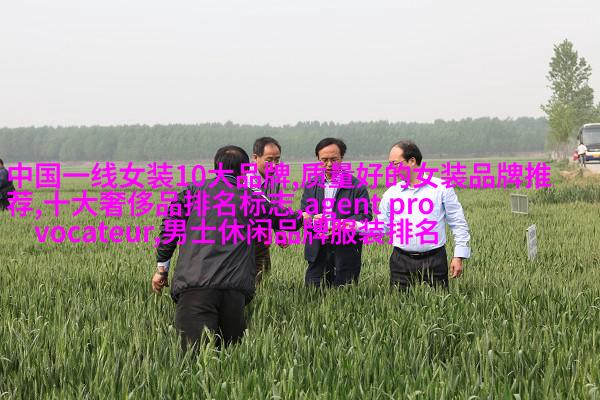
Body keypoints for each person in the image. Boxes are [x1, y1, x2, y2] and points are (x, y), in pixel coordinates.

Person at [152, 145, 303, 352]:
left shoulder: (192, 192)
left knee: (193, 358)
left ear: (216, 168)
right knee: (231, 357)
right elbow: (286, 219)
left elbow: (170, 230)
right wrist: (305, 217)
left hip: (194, 288)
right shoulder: (251, 197)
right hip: (234, 292)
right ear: (245, 171)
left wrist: (162, 270)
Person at [376, 140, 471, 290]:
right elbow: (382, 226)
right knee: (398, 304)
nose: (391, 169)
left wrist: (458, 256)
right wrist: (351, 226)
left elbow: (458, 223)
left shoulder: (441, 188)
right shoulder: (391, 193)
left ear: (412, 161)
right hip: (400, 262)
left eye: (395, 164)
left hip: (435, 260)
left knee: (438, 302)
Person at [300, 138, 372, 287]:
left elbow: (365, 216)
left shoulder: (357, 186)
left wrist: (339, 225)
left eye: (334, 159)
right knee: (313, 293)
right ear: (318, 159)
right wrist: (313, 220)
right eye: (324, 160)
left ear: (342, 158)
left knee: (344, 293)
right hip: (317, 251)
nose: (329, 164)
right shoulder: (311, 185)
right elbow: (304, 215)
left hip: (346, 251)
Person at [245, 137, 286, 283]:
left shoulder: (275, 180)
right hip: (242, 237)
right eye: (269, 160)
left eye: (277, 160)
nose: (274, 165)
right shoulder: (245, 180)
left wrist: (279, 231)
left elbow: (275, 207)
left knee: (263, 277)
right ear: (255, 158)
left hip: (261, 236)